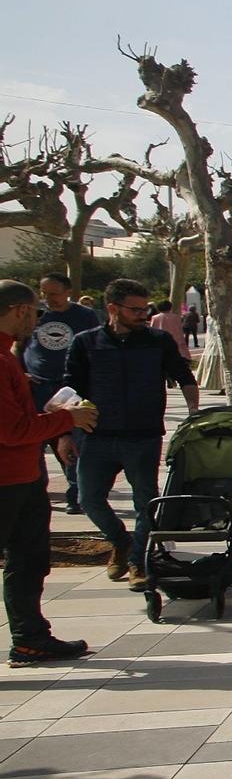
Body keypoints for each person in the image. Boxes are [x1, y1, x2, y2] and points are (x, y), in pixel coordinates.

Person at [65, 277, 199, 591]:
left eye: (145, 309)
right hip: (96, 435)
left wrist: (194, 412)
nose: (143, 315)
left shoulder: (158, 341)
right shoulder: (86, 342)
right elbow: (71, 388)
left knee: (146, 502)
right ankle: (120, 542)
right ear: (113, 308)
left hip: (143, 435)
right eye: (135, 310)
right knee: (89, 499)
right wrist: (65, 433)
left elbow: (183, 375)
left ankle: (139, 561)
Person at [0, 279, 96, 665]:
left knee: (29, 561)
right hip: (6, 480)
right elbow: (10, 431)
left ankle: (30, 639)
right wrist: (65, 421)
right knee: (23, 560)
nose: (36, 321)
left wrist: (53, 418)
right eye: (34, 313)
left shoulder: (9, 355)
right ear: (21, 311)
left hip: (23, 477)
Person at [22, 273, 99, 515]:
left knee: (69, 445)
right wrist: (19, 372)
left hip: (68, 390)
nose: (48, 298)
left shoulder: (84, 316)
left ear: (67, 291)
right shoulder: (34, 315)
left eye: (53, 293)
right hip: (36, 389)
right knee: (33, 444)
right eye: (44, 293)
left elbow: (95, 348)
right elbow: (19, 344)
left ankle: (76, 495)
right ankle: (35, 494)